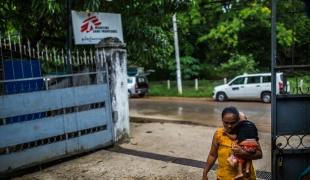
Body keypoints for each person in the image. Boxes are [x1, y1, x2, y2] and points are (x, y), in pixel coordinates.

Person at [202, 106, 263, 180]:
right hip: (224, 177)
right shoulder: (219, 134)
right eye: (226, 123)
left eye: (233, 123)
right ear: (222, 120)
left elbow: (259, 155)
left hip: (246, 178)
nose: (229, 126)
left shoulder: (247, 132)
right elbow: (212, 155)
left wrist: (243, 153)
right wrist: (205, 173)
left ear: (238, 120)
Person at [223, 112, 259, 179]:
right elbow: (256, 134)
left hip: (244, 146)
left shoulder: (239, 126)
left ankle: (240, 173)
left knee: (239, 156)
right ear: (245, 117)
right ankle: (247, 170)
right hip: (254, 145)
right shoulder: (252, 125)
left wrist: (226, 133)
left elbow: (234, 137)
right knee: (249, 156)